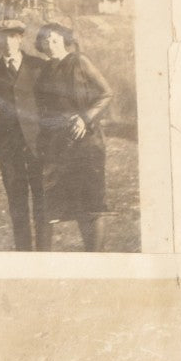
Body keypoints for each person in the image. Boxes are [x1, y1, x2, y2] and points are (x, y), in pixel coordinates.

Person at [35, 22, 114, 252]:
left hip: (86, 142)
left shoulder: (80, 61)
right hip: (57, 144)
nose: (50, 43)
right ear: (40, 44)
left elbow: (106, 93)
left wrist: (85, 118)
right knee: (60, 202)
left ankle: (95, 256)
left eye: (55, 38)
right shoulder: (45, 70)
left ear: (64, 39)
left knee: (91, 202)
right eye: (45, 39)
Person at [0, 19, 49, 251]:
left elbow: (52, 103)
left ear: (20, 38)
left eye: (12, 37)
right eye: (2, 37)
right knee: (17, 203)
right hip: (9, 146)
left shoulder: (38, 66)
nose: (8, 42)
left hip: (38, 143)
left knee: (43, 202)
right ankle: (24, 253)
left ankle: (45, 255)